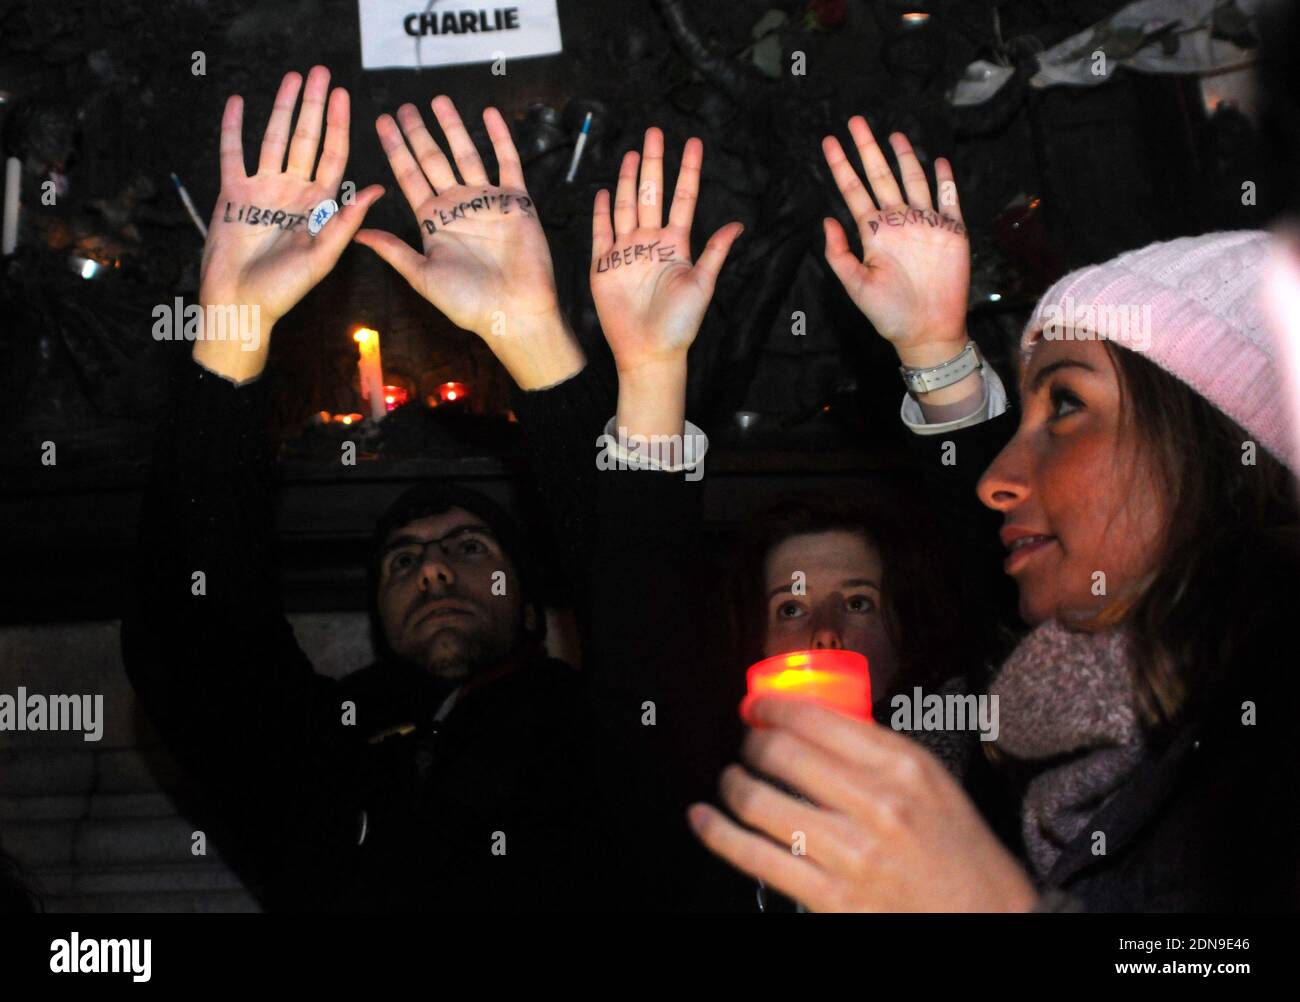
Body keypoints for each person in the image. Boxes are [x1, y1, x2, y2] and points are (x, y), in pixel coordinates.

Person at [687, 115, 1300, 910]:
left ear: (1219, 440)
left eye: (1068, 405)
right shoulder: (1084, 738)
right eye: (790, 606)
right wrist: (931, 344)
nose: (997, 480)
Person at [122, 67, 642, 911]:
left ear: (536, 609)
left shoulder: (607, 727)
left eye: (469, 550)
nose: (434, 573)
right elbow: (193, 645)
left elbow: (639, 589)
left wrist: (534, 337)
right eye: (402, 561)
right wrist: (232, 328)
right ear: (369, 614)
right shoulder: (319, 745)